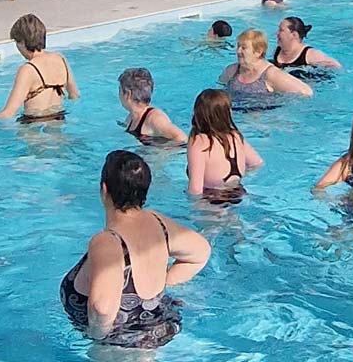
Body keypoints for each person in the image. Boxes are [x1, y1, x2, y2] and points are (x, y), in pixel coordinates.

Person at [60, 150, 211, 347]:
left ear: (104, 190)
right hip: (159, 332)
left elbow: (102, 309)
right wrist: (165, 283)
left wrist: (95, 340)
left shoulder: (107, 242)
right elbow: (201, 252)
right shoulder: (159, 223)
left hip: (117, 350)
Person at [0, 14, 79, 122]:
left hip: (33, 122)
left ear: (23, 42)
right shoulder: (60, 59)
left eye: (16, 42)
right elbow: (74, 95)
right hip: (59, 117)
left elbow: (9, 112)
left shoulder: (28, 70)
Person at [187, 89, 263, 201]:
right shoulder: (235, 136)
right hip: (238, 193)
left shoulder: (199, 142)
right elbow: (257, 163)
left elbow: (195, 189)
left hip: (212, 198)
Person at [219, 29, 313, 104]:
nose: (238, 51)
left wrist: (280, 103)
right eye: (238, 46)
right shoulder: (231, 71)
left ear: (258, 52)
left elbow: (306, 92)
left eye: (243, 48)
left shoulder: (271, 74)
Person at [119, 68, 187, 144]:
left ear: (128, 94)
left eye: (120, 90)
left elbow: (182, 138)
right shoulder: (131, 117)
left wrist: (158, 151)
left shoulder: (155, 118)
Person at [272, 16, 341, 69]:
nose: (277, 33)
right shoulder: (277, 51)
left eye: (281, 30)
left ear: (294, 35)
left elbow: (337, 65)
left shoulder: (310, 54)